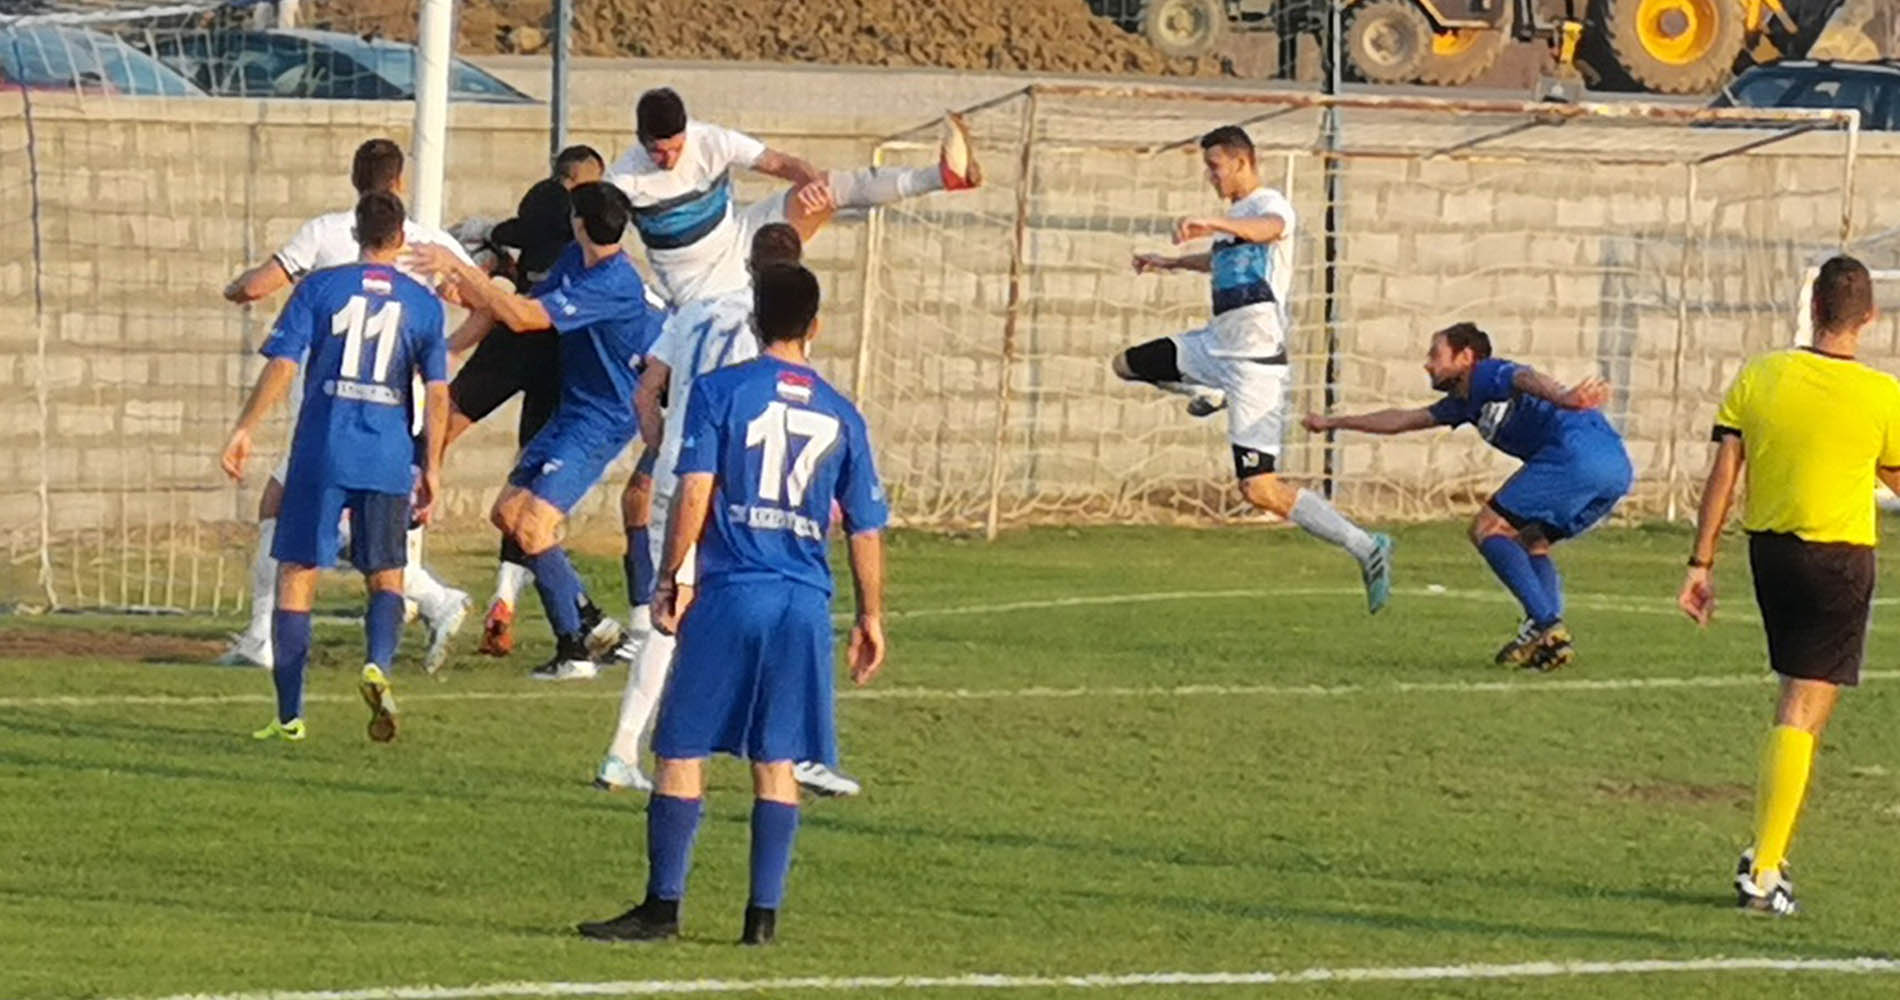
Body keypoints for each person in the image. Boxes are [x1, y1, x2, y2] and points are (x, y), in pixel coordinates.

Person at [576, 262, 887, 947]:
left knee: (681, 746)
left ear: (754, 320)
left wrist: (670, 575)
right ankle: (760, 921)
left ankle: (662, 909)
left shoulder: (722, 393)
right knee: (776, 757)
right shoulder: (842, 412)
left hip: (733, 592)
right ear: (815, 326)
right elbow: (865, 526)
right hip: (802, 602)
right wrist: (870, 617)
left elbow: (695, 490)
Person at [596, 219, 861, 799]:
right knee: (757, 609)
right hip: (729, 492)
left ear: (747, 264)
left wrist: (661, 447)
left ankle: (627, 749)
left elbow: (646, 389)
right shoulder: (768, 338)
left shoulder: (696, 309)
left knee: (669, 614)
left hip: (677, 475)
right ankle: (783, 752)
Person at [1678, 255, 1898, 916]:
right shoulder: (1882, 396)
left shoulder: (1761, 375)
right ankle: (1764, 871)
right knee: (1803, 707)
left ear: (1814, 308)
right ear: (1869, 317)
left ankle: (1769, 846)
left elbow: (1725, 473)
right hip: (1839, 561)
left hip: (1770, 556)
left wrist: (1700, 562)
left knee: (1800, 698)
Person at [1113, 125, 1392, 613]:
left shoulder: (1269, 205)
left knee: (1259, 489)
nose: (1210, 176)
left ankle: (1366, 546)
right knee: (1126, 364)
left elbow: (1269, 229)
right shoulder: (1236, 220)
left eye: (1215, 166)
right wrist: (1171, 263)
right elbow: (1223, 258)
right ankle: (1208, 392)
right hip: (1212, 346)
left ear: (1242, 161)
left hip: (1255, 366)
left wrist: (1210, 222)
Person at [218, 138, 469, 675]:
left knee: (295, 519)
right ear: (400, 182)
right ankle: (421, 613)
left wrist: (234, 288)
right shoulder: (431, 245)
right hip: (399, 416)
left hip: (333, 415)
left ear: (355, 183)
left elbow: (260, 287)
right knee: (358, 532)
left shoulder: (327, 232)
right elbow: (487, 300)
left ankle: (269, 638)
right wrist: (445, 352)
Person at [409, 182, 654, 680]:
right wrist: (469, 291)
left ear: (579, 223)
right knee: (507, 514)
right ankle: (591, 624)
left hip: (602, 419)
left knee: (534, 525)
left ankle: (575, 648)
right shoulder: (574, 261)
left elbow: (524, 319)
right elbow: (519, 305)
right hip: (574, 408)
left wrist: (458, 266)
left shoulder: (614, 281)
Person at [1305, 323, 1630, 669]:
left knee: (1486, 529)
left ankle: (1547, 625)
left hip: (1575, 453)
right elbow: (1403, 420)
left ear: (1466, 357)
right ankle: (1545, 634)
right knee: (1533, 540)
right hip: (1615, 468)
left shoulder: (1486, 373)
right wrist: (1334, 423)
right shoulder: (1463, 403)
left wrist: (1564, 397)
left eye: (1436, 354)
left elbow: (1523, 377)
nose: (1428, 364)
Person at [603, 86, 980, 308]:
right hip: (693, 286)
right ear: (641, 140)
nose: (669, 159)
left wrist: (810, 183)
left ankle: (941, 177)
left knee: (827, 189)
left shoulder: (712, 141)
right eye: (658, 152)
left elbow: (783, 164)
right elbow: (601, 242)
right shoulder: (624, 179)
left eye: (676, 148)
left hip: (739, 236)